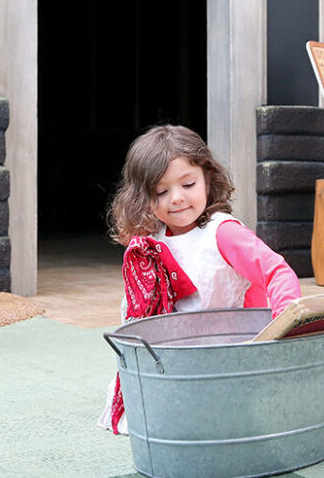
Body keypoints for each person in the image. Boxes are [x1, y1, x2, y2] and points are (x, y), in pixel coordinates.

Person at [98, 125, 301, 433]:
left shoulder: (222, 232)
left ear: (208, 178)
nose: (177, 199)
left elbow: (276, 271)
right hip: (171, 355)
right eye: (161, 192)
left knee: (213, 423)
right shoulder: (150, 240)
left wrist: (285, 327)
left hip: (224, 353)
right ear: (143, 199)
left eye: (188, 184)